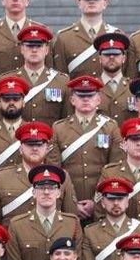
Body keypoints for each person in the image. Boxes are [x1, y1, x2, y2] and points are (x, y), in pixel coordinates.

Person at [48, 75, 124, 218]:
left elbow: (115, 168)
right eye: (81, 96)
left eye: (90, 95)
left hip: (102, 202)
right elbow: (55, 171)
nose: (86, 99)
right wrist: (71, 203)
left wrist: (96, 202)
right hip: (67, 203)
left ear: (98, 100)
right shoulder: (58, 128)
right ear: (72, 100)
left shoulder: (110, 127)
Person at [0, 124, 80, 225]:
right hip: (12, 239)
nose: (35, 148)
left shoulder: (62, 177)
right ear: (21, 149)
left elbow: (71, 221)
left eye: (39, 144)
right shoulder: (2, 177)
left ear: (47, 149)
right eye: (30, 144)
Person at [4, 165, 82, 260]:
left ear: (59, 193)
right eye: (41, 187)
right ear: (33, 192)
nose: (46, 192)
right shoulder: (17, 225)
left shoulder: (72, 223)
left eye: (51, 187)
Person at [0, 25, 70, 127]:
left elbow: (66, 123)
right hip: (16, 141)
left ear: (47, 50)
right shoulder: (6, 80)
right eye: (30, 46)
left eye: (39, 46)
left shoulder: (61, 81)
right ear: (22, 49)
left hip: (48, 141)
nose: (34, 50)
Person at [82, 176, 140, 260]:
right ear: (103, 203)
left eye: (120, 198)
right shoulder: (90, 232)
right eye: (111, 199)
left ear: (127, 201)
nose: (116, 203)